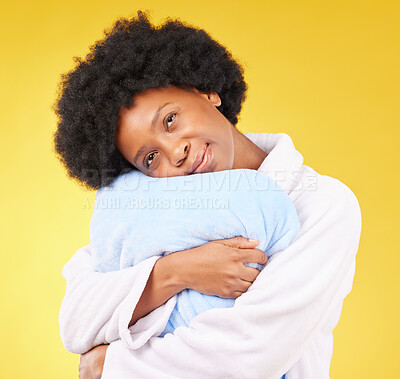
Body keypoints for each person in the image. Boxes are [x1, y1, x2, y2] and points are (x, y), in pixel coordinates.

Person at [55, 12, 362, 379]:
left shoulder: (323, 206)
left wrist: (112, 365)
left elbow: (248, 355)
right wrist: (173, 273)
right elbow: (76, 318)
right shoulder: (152, 207)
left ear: (206, 91)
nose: (175, 152)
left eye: (170, 120)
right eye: (150, 158)